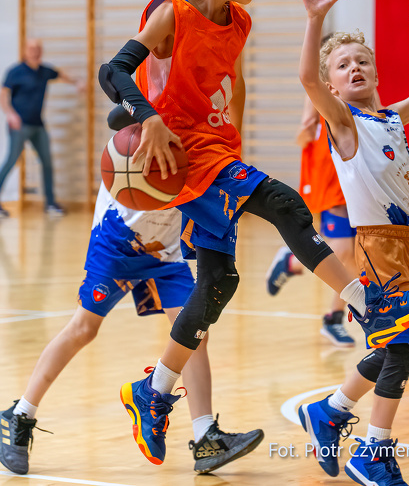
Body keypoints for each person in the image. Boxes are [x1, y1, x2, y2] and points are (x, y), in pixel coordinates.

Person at [98, 0, 409, 467]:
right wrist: (147, 116)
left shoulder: (238, 22)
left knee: (218, 284)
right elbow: (113, 71)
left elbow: (233, 81)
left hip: (215, 154)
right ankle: (366, 306)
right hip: (182, 158)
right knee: (285, 203)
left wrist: (234, 147)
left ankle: (151, 393)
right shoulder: (171, 11)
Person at [0, 106, 263, 477]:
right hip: (118, 238)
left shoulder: (209, 129)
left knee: (196, 334)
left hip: (165, 248)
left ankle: (206, 437)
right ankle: (19, 414)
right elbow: (116, 116)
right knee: (83, 329)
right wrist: (147, 116)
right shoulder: (155, 108)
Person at [296, 0, 409, 485]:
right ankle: (373, 450)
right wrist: (315, 20)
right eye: (343, 65)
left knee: (393, 347)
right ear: (333, 86)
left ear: (376, 71)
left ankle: (331, 411)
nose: (355, 67)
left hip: (408, 242)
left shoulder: (391, 117)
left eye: (362, 60)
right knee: (405, 349)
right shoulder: (344, 124)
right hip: (378, 247)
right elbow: (307, 79)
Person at [266, 91, 358, 348]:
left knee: (354, 256)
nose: (354, 70)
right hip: (333, 177)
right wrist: (309, 129)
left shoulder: (364, 87)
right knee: (343, 249)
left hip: (357, 175)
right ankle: (293, 262)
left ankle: (333, 317)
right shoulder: (322, 90)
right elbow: (305, 131)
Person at [0, 39, 84, 217]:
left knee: (47, 162)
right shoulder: (15, 72)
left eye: (38, 48)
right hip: (19, 125)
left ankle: (50, 204)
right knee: (11, 161)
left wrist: (76, 82)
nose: (35, 51)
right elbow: (3, 94)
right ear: (25, 51)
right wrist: (10, 114)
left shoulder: (44, 71)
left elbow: (59, 74)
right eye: (31, 48)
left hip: (38, 125)